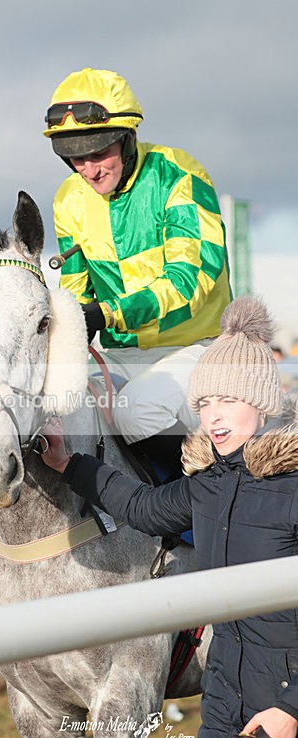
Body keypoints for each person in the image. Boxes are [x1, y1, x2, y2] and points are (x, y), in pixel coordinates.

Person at [41, 296, 298, 738]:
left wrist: (291, 710)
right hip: (223, 701)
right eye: (204, 404)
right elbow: (142, 507)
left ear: (263, 402)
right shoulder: (209, 482)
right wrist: (70, 465)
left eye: (228, 401)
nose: (214, 417)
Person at [43, 67, 232, 452]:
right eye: (75, 158)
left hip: (200, 347)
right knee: (51, 405)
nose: (89, 170)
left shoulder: (178, 175)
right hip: (120, 355)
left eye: (99, 153)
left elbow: (189, 282)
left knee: (133, 413)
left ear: (128, 139)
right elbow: (77, 291)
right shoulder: (68, 199)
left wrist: (108, 314)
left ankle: (196, 488)